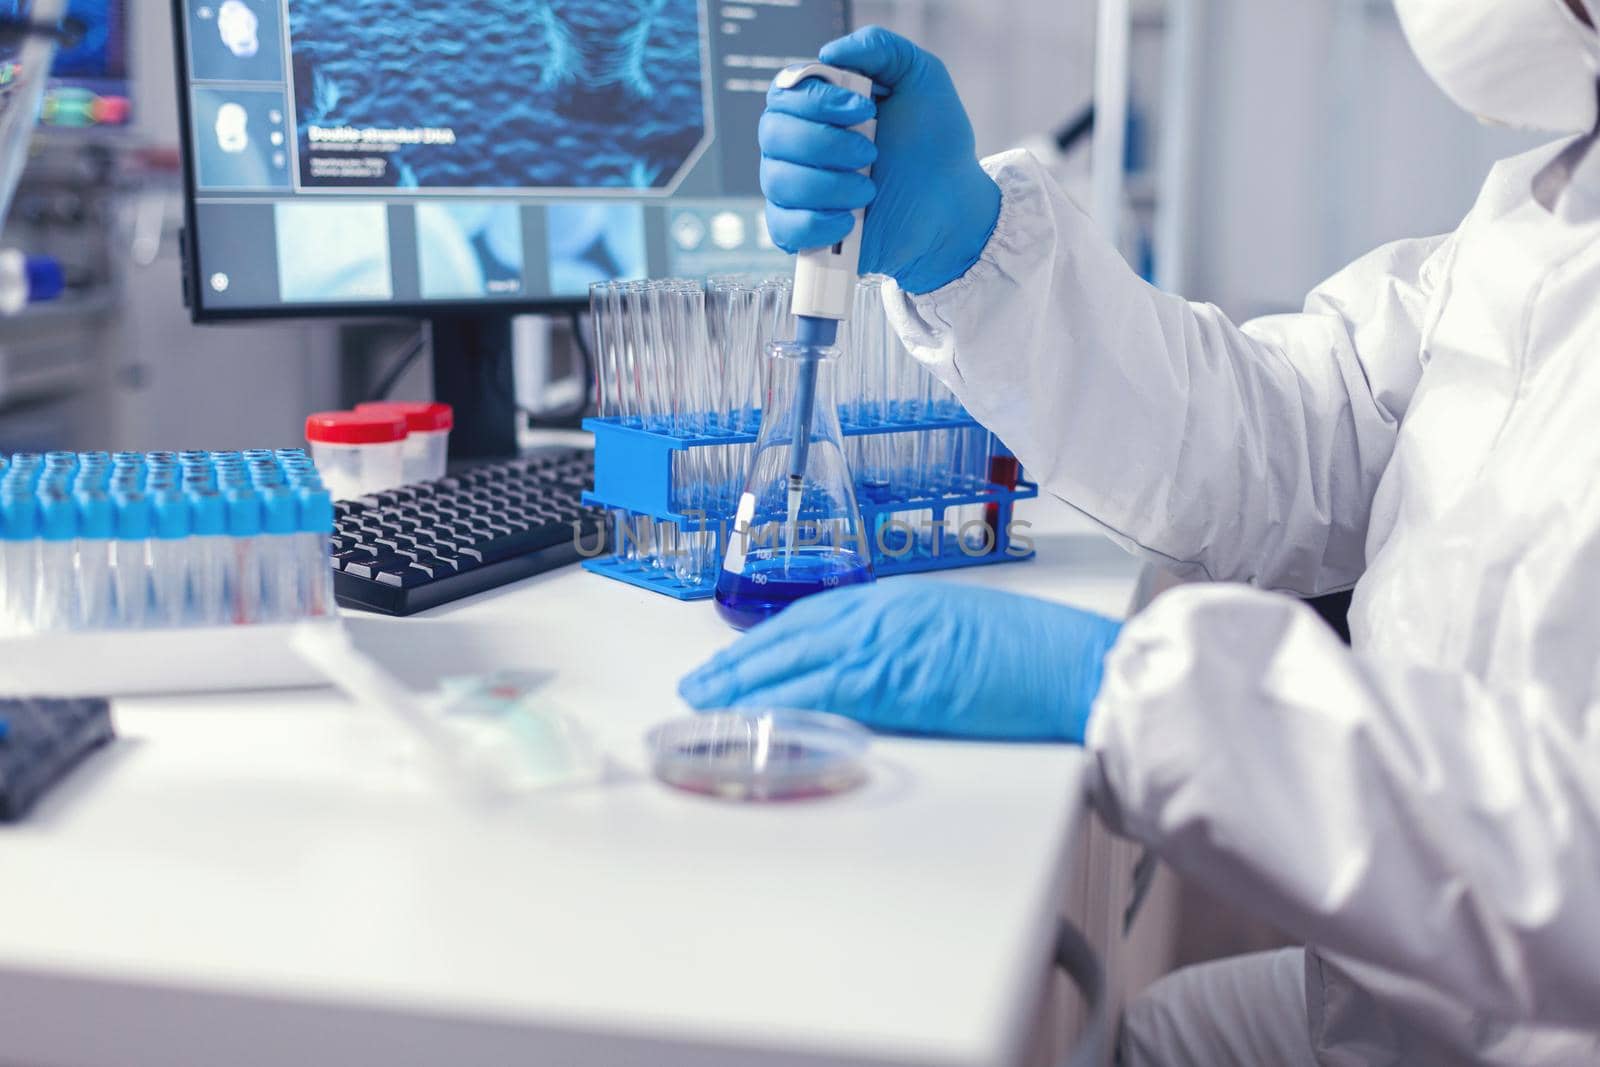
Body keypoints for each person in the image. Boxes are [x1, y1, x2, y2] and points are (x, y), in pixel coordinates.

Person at [678, 0, 1600, 1062]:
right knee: (1148, 1036)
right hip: (1423, 990)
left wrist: (1138, 694)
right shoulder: (1549, 211)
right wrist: (971, 252)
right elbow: (1299, 440)